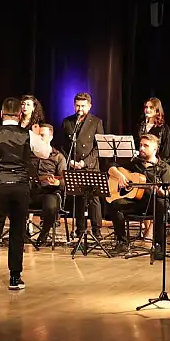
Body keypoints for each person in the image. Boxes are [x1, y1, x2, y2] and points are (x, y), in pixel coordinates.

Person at [0, 97, 52, 292]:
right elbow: (45, 153)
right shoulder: (28, 135)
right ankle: (15, 277)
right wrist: (41, 138)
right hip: (20, 187)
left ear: (1, 114)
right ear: (19, 115)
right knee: (17, 231)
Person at [109, 134, 170, 257]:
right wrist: (120, 176)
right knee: (115, 204)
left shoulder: (164, 168)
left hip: (154, 203)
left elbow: (166, 193)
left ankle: (159, 246)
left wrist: (160, 191)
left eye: (145, 146)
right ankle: (122, 243)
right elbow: (111, 167)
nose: (141, 148)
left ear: (155, 149)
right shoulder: (135, 162)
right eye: (140, 145)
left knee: (161, 204)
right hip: (136, 202)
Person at [59, 92, 104, 241]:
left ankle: (97, 230)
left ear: (89, 106)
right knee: (78, 198)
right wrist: (69, 161)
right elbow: (62, 146)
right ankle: (80, 229)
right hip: (74, 165)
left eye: (83, 106)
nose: (80, 109)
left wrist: (85, 162)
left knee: (94, 199)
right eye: (77, 105)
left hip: (90, 166)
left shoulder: (96, 122)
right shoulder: (67, 122)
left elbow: (98, 147)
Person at [29, 124, 68, 248]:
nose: (39, 138)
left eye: (42, 135)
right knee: (11, 197)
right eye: (38, 135)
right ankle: (22, 234)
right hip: (31, 191)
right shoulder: (29, 154)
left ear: (50, 137)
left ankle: (44, 234)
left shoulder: (58, 157)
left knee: (50, 206)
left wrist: (58, 183)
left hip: (50, 192)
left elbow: (65, 180)